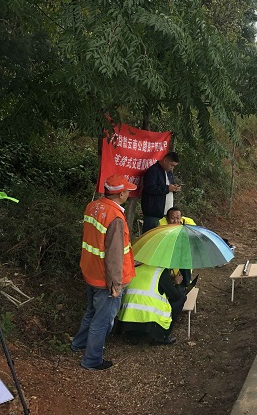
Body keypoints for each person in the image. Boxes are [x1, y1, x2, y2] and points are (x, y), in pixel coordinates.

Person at [71, 174, 137, 370]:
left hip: (91, 271)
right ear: (121, 193)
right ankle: (92, 360)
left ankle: (79, 343)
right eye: (127, 190)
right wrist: (115, 284)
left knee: (91, 311)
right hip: (106, 279)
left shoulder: (93, 206)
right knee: (102, 321)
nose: (128, 193)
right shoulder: (115, 218)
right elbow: (115, 255)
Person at [116, 265, 186, 345]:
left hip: (127, 318)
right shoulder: (160, 272)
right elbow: (175, 296)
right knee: (181, 299)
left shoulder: (136, 268)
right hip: (149, 318)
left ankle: (133, 335)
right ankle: (162, 337)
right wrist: (177, 283)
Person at [141, 151, 181, 233]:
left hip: (167, 213)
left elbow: (169, 187)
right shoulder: (153, 171)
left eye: (174, 166)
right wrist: (167, 189)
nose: (172, 168)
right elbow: (149, 188)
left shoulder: (169, 173)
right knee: (151, 237)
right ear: (165, 160)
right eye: (171, 165)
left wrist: (174, 188)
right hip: (154, 213)